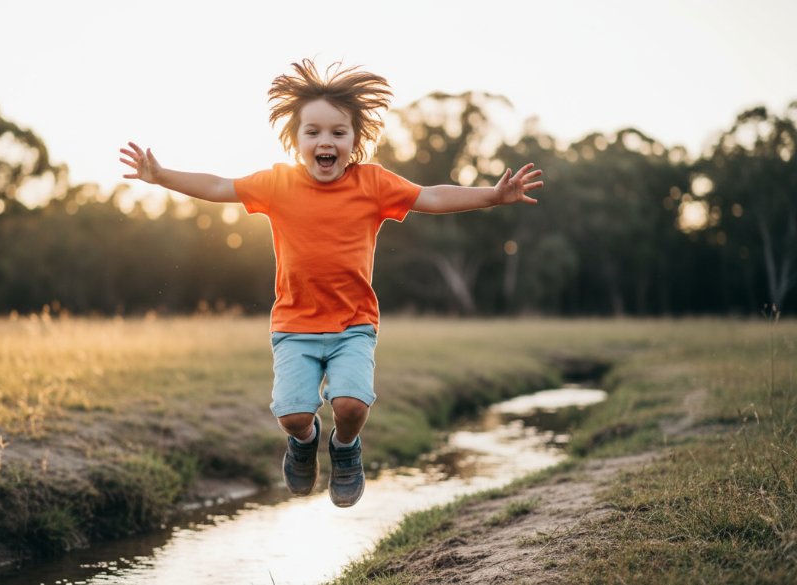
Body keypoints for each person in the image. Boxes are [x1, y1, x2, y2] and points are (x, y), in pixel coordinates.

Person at [119, 59, 542, 508]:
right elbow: (221, 186)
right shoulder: (277, 184)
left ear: (356, 140)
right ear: (295, 139)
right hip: (294, 326)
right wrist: (161, 176)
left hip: (353, 325)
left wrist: (493, 196)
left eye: (338, 133)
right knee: (294, 414)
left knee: (352, 406)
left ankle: (345, 449)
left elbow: (431, 196)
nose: (326, 141)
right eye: (314, 132)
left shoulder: (373, 183)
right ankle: (304, 444)